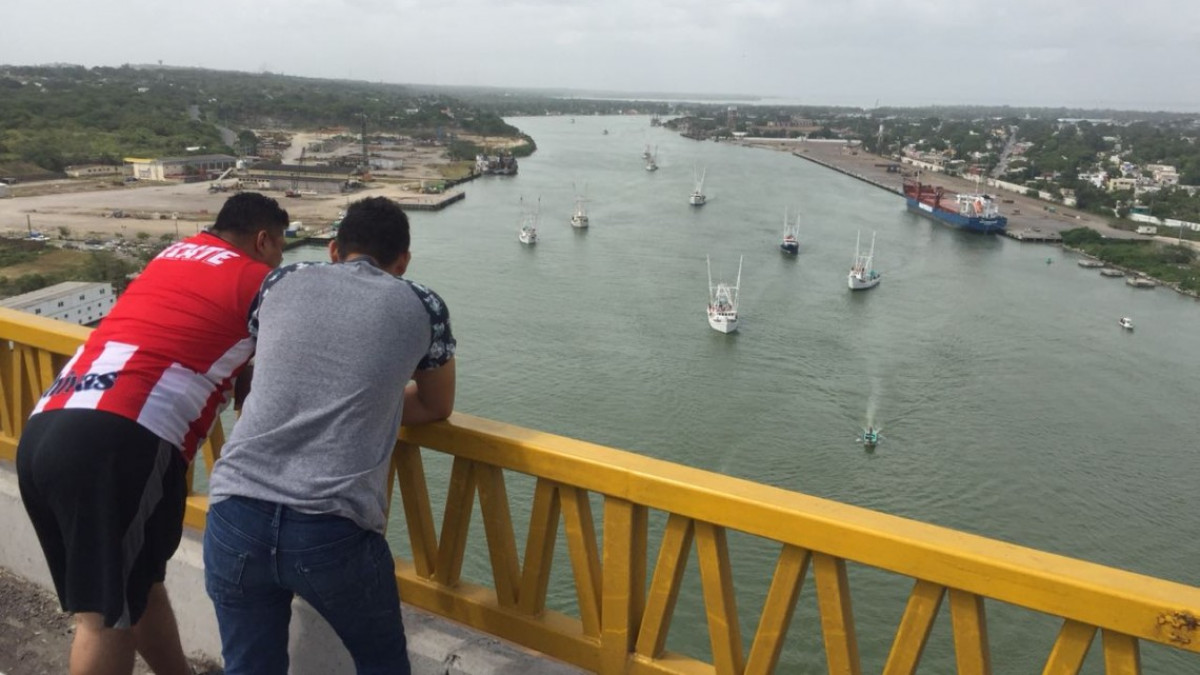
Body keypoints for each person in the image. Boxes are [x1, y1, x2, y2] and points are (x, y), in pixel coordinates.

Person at [16, 192, 290, 675]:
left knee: (134, 586)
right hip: (120, 438)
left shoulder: (170, 255)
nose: (279, 260)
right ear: (263, 240)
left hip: (48, 424)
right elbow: (267, 384)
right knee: (103, 618)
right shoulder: (261, 283)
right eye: (279, 249)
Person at [204, 196, 456, 674]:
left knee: (248, 667)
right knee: (382, 665)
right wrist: (370, 403)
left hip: (235, 507)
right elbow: (436, 405)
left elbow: (274, 362)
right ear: (402, 261)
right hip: (332, 526)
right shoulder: (423, 304)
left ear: (334, 249)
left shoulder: (281, 280)